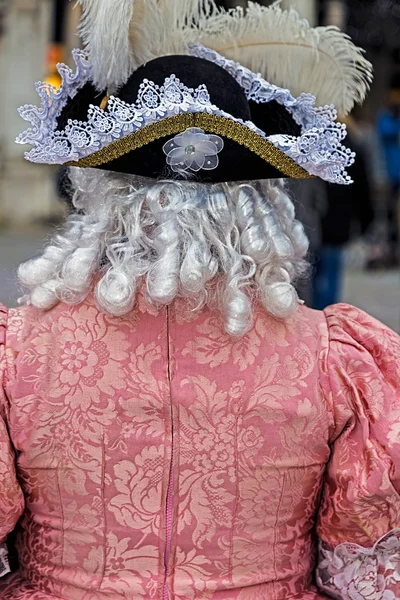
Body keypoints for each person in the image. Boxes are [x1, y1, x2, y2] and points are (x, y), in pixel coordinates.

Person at [2, 2, 400, 599]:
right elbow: (366, 573)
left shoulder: (16, 356)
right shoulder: (335, 363)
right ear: (262, 207)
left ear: (102, 198)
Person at [377, 73, 400, 266]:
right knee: (391, 218)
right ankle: (392, 250)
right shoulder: (386, 118)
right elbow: (385, 131)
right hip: (392, 175)